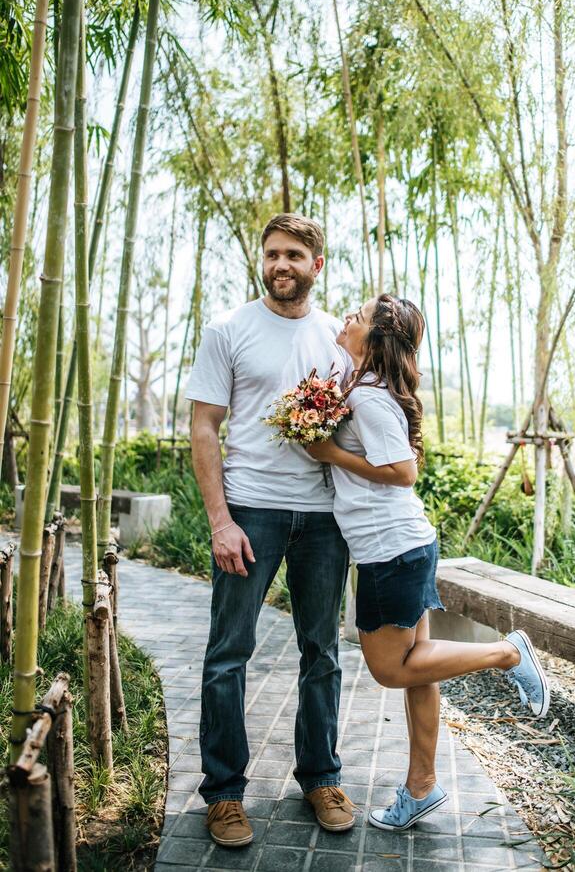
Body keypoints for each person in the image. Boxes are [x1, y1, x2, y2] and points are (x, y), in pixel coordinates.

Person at [307, 294, 550, 832]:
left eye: (360, 317)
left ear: (375, 341)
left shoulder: (369, 398)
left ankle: (508, 653)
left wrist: (329, 454)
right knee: (420, 667)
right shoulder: (362, 385)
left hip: (389, 550)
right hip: (402, 546)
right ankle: (421, 787)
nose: (348, 318)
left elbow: (403, 470)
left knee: (391, 668)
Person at [186, 213, 355, 849]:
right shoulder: (229, 329)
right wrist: (220, 520)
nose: (280, 264)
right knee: (228, 653)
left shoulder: (340, 337)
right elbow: (205, 426)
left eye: (293, 255)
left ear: (317, 265)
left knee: (323, 653)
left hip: (322, 520)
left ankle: (321, 777)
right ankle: (225, 795)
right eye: (271, 254)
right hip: (250, 511)